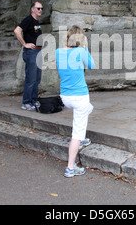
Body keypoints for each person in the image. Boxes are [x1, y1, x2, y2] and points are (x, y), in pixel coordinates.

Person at [56, 25, 95, 178]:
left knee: (88, 109)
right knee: (76, 134)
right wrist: (85, 48)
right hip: (80, 96)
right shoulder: (80, 51)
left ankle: (82, 135)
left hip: (65, 97)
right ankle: (70, 168)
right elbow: (92, 65)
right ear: (81, 39)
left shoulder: (58, 52)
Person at [14, 2, 43, 111]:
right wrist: (24, 44)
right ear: (32, 9)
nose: (40, 10)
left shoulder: (36, 21)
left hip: (38, 52)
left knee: (37, 79)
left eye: (41, 8)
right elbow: (17, 31)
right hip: (31, 53)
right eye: (38, 8)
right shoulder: (28, 20)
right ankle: (26, 102)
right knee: (31, 79)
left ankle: (34, 100)